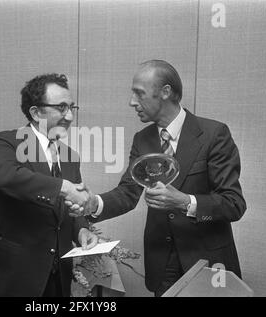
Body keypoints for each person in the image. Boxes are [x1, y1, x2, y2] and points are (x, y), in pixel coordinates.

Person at [67, 60, 247, 296]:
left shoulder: (214, 134)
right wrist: (94, 203)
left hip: (208, 261)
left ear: (165, 92)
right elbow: (128, 193)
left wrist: (184, 202)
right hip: (162, 263)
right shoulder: (143, 139)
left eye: (139, 94)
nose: (132, 102)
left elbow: (234, 204)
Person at [0, 73, 98, 297]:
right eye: (61, 107)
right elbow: (6, 176)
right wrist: (64, 187)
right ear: (36, 112)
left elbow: (70, 208)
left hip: (57, 275)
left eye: (71, 107)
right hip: (13, 276)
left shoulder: (70, 156)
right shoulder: (6, 141)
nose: (69, 116)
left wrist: (81, 229)